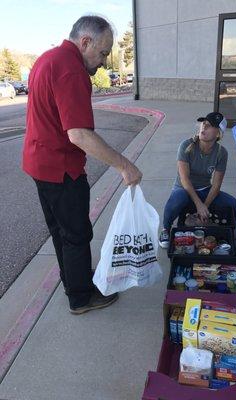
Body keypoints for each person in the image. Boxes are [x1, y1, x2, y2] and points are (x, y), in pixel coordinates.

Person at [22, 15, 142, 314]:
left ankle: (74, 282)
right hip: (62, 168)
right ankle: (81, 297)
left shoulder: (47, 59)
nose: (103, 62)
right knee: (76, 234)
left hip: (39, 163)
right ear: (85, 41)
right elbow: (79, 135)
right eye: (102, 52)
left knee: (62, 231)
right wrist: (124, 165)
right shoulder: (71, 69)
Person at [159, 111, 236, 248]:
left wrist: (205, 205)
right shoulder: (186, 146)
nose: (203, 127)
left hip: (204, 189)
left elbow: (216, 185)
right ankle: (165, 229)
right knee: (178, 199)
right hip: (183, 188)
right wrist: (199, 205)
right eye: (203, 124)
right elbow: (184, 179)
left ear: (218, 133)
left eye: (209, 126)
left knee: (235, 205)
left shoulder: (221, 153)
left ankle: (235, 235)